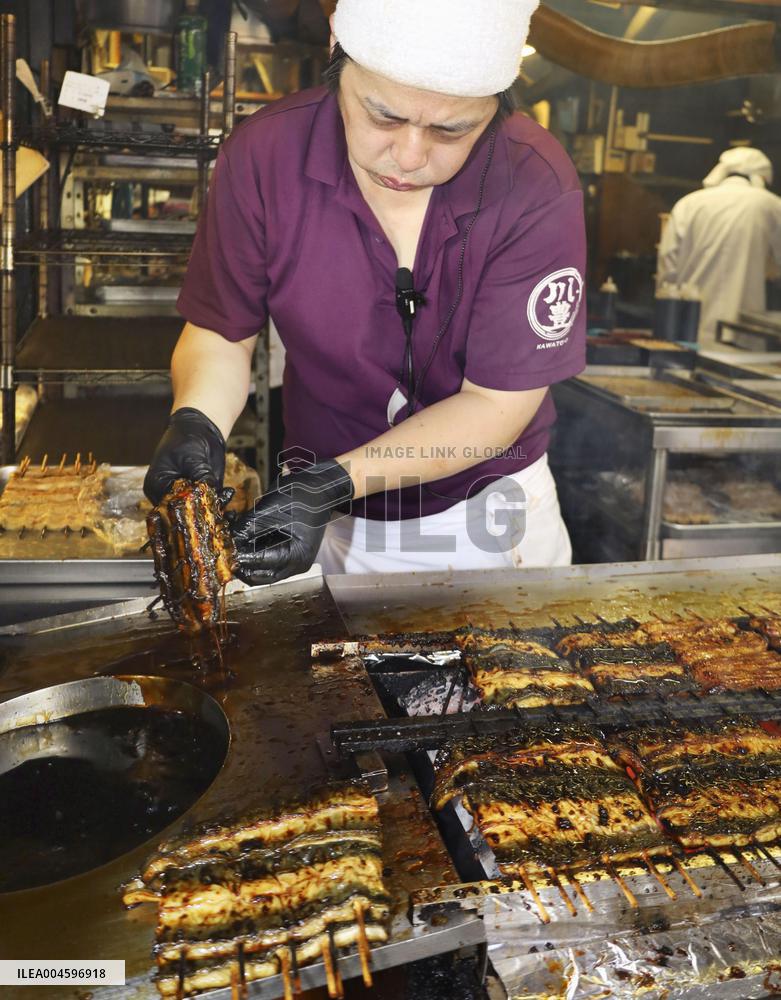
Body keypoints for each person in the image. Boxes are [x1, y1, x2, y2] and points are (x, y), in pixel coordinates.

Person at [144, 0, 587, 584]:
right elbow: (222, 330)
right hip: (328, 518)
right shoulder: (265, 156)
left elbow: (496, 404)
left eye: (451, 130)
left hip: (484, 514)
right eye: (382, 116)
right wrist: (196, 417)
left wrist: (333, 482)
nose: (409, 156)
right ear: (336, 47)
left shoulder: (534, 183)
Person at [657, 146, 781, 347]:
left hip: (688, 331)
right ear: (761, 178)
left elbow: (668, 272)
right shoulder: (770, 205)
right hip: (742, 335)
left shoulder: (688, 204)